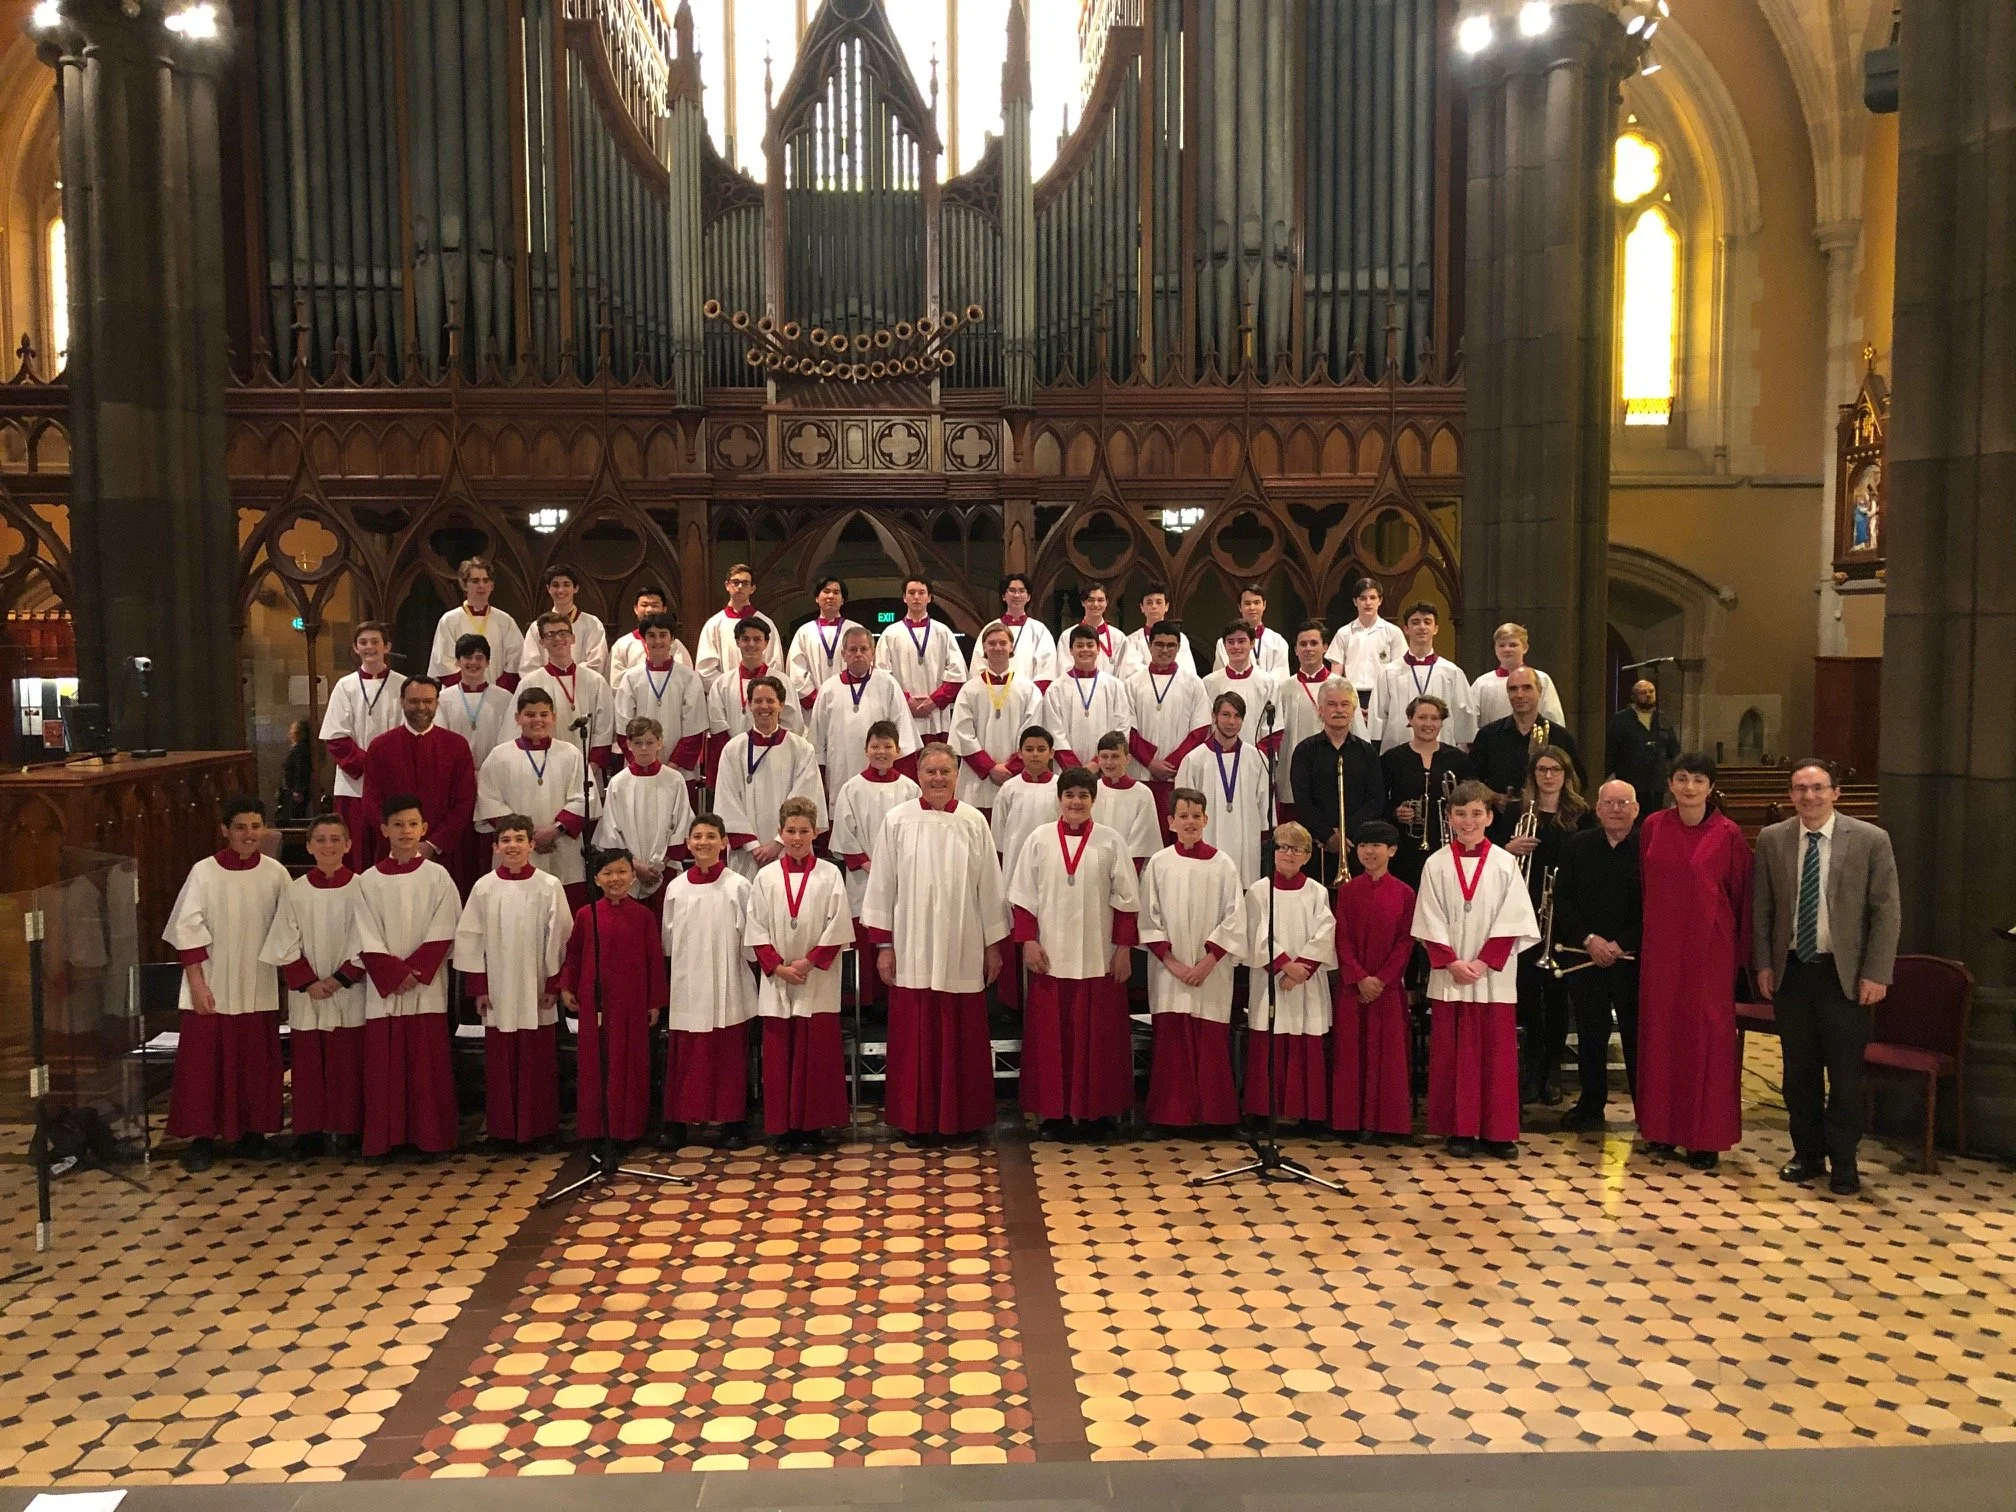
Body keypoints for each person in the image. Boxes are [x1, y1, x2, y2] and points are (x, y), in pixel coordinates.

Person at [1752, 758, 1900, 1196]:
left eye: (1817, 788)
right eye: (1800, 788)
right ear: (1791, 794)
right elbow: (1763, 909)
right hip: (1793, 972)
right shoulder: (1773, 839)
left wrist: (1876, 972)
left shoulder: (1871, 840)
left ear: (1836, 793)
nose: (1808, 796)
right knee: (1798, 1073)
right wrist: (1763, 964)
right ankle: (1807, 1154)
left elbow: (1886, 912)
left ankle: (1845, 1160)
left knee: (1846, 1074)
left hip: (1846, 975)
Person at [860, 744, 1011, 1147]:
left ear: (957, 775)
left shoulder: (974, 820)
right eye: (930, 772)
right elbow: (882, 887)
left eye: (946, 771)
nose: (938, 779)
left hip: (962, 943)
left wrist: (992, 945)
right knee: (916, 1034)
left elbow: (989, 887)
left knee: (962, 1031)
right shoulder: (897, 820)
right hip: (912, 944)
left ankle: (965, 1118)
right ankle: (917, 1119)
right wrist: (884, 946)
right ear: (919, 776)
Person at [1635, 753, 1754, 1171]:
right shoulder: (1652, 826)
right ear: (1670, 783)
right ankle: (1663, 1130)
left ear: (1710, 786)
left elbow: (1741, 896)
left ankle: (1705, 1137)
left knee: (1706, 1037)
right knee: (1662, 1033)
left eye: (1698, 780)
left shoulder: (1728, 834)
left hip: (1709, 954)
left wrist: (1739, 961)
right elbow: (1645, 886)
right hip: (1662, 951)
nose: (1689, 787)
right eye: (1682, 779)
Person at [1008, 767, 1141, 1140]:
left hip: (1099, 956)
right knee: (1052, 1039)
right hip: (1051, 955)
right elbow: (1022, 897)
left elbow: (1128, 902)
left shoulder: (1111, 841)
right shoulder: (1038, 839)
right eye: (1070, 795)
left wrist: (1123, 950)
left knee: (1099, 1038)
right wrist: (1029, 941)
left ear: (1093, 800)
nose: (1076, 802)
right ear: (1059, 799)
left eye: (1083, 795)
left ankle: (1099, 1113)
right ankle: (1055, 1113)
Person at [164, 796, 292, 1172]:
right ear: (224, 830)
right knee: (206, 1065)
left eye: (256, 827)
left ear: (265, 829)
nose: (249, 835)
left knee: (255, 1061)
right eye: (240, 827)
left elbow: (288, 926)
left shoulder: (276, 874)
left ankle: (254, 1136)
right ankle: (203, 1138)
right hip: (212, 982)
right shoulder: (203, 872)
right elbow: (186, 929)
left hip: (257, 980)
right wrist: (197, 984)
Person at [1413, 780, 1539, 1159]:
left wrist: (1483, 962)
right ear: (1449, 817)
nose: (1468, 822)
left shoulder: (1504, 863)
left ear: (1489, 816)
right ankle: (1460, 1130)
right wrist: (1452, 961)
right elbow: (1427, 918)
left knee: (1496, 1055)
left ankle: (1498, 1132)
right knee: (1454, 1055)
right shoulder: (1435, 864)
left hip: (1492, 978)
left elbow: (1514, 918)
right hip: (1451, 974)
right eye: (1460, 814)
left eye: (1476, 814)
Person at [352, 794, 464, 1158]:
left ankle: (432, 1138)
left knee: (426, 1062)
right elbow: (362, 931)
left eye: (412, 824)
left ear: (424, 829)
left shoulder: (438, 876)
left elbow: (447, 925)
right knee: (386, 1062)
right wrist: (392, 972)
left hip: (424, 987)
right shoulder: (367, 881)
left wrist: (414, 971)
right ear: (383, 829)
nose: (405, 831)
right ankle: (387, 1138)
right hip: (385, 989)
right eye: (397, 824)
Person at [455, 814, 573, 1149]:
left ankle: (542, 1129)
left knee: (539, 1059)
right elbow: (470, 938)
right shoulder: (484, 888)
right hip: (499, 988)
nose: (513, 846)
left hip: (536, 985)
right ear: (495, 847)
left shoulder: (549, 886)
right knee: (501, 1058)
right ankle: (504, 1131)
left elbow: (561, 936)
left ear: (532, 844)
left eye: (519, 839)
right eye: (505, 841)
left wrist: (553, 984)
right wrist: (478, 987)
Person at [746, 798, 854, 1152]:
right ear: (779, 832)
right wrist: (777, 966)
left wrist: (808, 963)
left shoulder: (829, 874)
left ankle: (812, 1127)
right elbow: (756, 925)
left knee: (815, 1054)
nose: (796, 838)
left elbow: (838, 925)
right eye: (790, 831)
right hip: (778, 979)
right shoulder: (765, 877)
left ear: (816, 833)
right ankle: (784, 1127)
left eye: (803, 831)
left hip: (815, 978)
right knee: (780, 1057)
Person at [259, 812, 368, 1156]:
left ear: (348, 845)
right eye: (320, 840)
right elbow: (284, 938)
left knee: (346, 1062)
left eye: (336, 839)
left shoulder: (363, 887)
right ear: (308, 847)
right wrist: (308, 982)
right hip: (309, 993)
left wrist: (338, 979)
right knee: (308, 1063)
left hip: (347, 989)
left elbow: (367, 939)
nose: (328, 846)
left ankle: (349, 1129)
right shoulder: (296, 890)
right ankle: (308, 1132)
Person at [1138, 788, 1246, 1130]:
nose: (1190, 822)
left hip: (1211, 970)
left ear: (1206, 819)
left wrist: (1208, 961)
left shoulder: (1223, 863)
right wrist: (1172, 962)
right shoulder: (1159, 863)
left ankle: (1214, 1116)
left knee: (1210, 1042)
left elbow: (1235, 917)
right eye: (1183, 816)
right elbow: (1148, 917)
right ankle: (1170, 1115)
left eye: (1196, 816)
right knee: (1171, 1042)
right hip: (1170, 970)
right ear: (1170, 822)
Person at [658, 814, 757, 1150]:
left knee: (728, 1054)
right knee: (686, 1055)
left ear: (724, 842)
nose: (703, 843)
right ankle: (679, 1123)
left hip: (728, 978)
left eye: (711, 836)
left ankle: (733, 1122)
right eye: (697, 837)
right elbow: (669, 942)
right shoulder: (675, 887)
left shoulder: (738, 886)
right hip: (688, 981)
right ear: (687, 843)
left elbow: (751, 939)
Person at [557, 848, 666, 1147]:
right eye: (607, 873)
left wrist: (654, 1001)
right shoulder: (585, 915)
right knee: (596, 1063)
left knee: (631, 1064)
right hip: (596, 1003)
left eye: (621, 871)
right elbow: (575, 955)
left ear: (633, 877)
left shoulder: (644, 916)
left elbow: (653, 960)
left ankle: (629, 1129)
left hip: (632, 1002)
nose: (615, 878)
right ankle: (596, 1129)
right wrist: (568, 986)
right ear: (596, 879)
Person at [1551, 780, 1643, 1132]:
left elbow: (1655, 906)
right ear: (1598, 808)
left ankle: (1644, 1109)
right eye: (1609, 803)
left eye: (1624, 803)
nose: (1617, 809)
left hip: (1631, 959)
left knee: (1636, 1037)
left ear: (1635, 809)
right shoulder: (1578, 845)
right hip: (1585, 956)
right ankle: (1591, 1105)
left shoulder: (1648, 847)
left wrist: (1623, 944)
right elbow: (1565, 899)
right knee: (1591, 1035)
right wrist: (1590, 940)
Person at [1505, 746, 1594, 1105]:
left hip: (1564, 914)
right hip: (1524, 911)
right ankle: (1530, 1068)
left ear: (1566, 774)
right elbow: (1495, 857)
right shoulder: (1517, 812)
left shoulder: (1582, 815)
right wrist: (1510, 846)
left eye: (1555, 769)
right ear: (1533, 774)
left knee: (1557, 997)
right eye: (1541, 769)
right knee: (1526, 994)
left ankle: (1553, 1070)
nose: (1548, 776)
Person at [1240, 822, 1336, 1126]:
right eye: (1281, 847)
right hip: (1272, 979)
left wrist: (1301, 970)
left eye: (1296, 849)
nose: (1288, 854)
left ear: (1307, 855)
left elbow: (1326, 933)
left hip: (1306, 981)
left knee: (1304, 1040)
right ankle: (1264, 1112)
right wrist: (1283, 964)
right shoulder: (1259, 890)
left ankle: (1307, 1113)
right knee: (1270, 1040)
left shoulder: (1317, 892)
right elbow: (1254, 932)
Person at [1331, 821, 1416, 1142]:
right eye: (1364, 845)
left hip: (1387, 989)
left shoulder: (1405, 893)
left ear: (1392, 851)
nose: (1368, 851)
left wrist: (1381, 980)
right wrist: (1359, 977)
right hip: (1354, 989)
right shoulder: (1348, 892)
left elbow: (1405, 942)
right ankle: (1351, 1121)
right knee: (1351, 1054)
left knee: (1388, 1055)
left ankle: (1387, 1123)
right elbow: (1342, 939)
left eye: (1376, 845)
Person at [829, 722, 922, 1008]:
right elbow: (845, 834)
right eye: (875, 746)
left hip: (902, 877)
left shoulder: (910, 789)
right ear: (866, 750)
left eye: (887, 746)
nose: (881, 752)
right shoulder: (851, 788)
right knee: (867, 935)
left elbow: (920, 831)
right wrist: (870, 865)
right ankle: (867, 1002)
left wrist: (897, 868)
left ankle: (899, 997)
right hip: (864, 878)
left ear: (898, 750)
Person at [473, 688, 592, 910]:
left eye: (544, 714)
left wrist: (555, 830)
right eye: (530, 714)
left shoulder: (571, 754)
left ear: (553, 717)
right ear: (517, 718)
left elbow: (584, 798)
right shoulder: (499, 756)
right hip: (516, 850)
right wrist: (529, 839)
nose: (537, 720)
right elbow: (489, 801)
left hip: (562, 848)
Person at [361, 676, 479, 893]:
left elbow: (465, 801)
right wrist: (399, 840)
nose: (421, 707)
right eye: (414, 701)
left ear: (437, 703)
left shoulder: (456, 746)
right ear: (402, 702)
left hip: (443, 853)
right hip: (394, 852)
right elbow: (371, 801)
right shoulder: (380, 747)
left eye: (427, 701)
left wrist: (433, 844)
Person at [713, 675, 826, 879]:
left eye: (770, 700)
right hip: (748, 854)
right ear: (748, 705)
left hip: (790, 848)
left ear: (781, 704)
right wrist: (752, 845)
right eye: (758, 701)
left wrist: (778, 843)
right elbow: (726, 799)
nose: (764, 706)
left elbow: (806, 799)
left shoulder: (800, 748)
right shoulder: (733, 750)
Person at [320, 621, 407, 870]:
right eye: (363, 643)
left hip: (391, 782)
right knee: (354, 850)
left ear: (387, 646)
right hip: (353, 785)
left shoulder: (403, 685)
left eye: (375, 642)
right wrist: (370, 766)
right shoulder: (344, 686)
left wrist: (384, 767)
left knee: (388, 846)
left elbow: (407, 733)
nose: (369, 647)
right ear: (356, 648)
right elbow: (336, 738)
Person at [1289, 681, 1385, 888]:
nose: (1339, 710)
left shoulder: (1367, 752)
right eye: (1332, 704)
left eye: (1345, 704)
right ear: (1320, 710)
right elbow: (1302, 800)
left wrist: (1343, 835)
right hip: (1317, 845)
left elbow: (1376, 800)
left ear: (1353, 710)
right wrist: (1327, 835)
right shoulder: (1304, 751)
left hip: (1356, 844)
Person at [1472, 668, 1587, 839]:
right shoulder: (1488, 736)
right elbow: (1471, 780)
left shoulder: (1560, 737)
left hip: (1549, 826)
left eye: (1527, 688)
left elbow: (1579, 782)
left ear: (1540, 691)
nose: (1519, 695)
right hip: (1497, 825)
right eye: (1513, 689)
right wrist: (1494, 797)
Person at [595, 717, 695, 911]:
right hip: (628, 872)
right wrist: (634, 866)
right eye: (638, 743)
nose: (644, 749)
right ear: (628, 745)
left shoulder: (674, 780)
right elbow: (611, 829)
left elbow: (681, 823)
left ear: (660, 742)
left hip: (665, 870)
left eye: (649, 742)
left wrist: (660, 866)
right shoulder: (618, 783)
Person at [811, 625, 919, 805]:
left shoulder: (887, 684)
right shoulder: (828, 689)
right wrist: (820, 780)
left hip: (883, 777)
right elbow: (817, 740)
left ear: (873, 653)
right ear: (843, 654)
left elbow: (903, 737)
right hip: (840, 773)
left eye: (863, 649)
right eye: (852, 649)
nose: (858, 654)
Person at [1174, 692, 1273, 885]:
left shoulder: (1256, 758)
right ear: (1214, 716)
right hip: (1207, 839)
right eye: (1226, 715)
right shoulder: (1194, 760)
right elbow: (1182, 809)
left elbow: (1264, 807)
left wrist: (1263, 834)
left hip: (1246, 841)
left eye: (1237, 716)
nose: (1231, 721)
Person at [1123, 621, 1211, 827]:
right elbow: (1128, 729)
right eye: (1159, 644)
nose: (1165, 650)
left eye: (1171, 645)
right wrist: (1150, 762)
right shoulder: (1133, 683)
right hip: (1142, 773)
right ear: (1149, 646)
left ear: (1179, 648)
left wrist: (1172, 764)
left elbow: (1200, 730)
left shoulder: (1193, 683)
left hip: (1177, 774)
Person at [1380, 695, 1471, 890]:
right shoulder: (1392, 758)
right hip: (1404, 848)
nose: (1428, 724)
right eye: (1422, 717)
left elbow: (1469, 800)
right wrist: (1395, 812)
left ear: (1441, 722)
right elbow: (1378, 800)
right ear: (1410, 719)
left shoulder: (1458, 759)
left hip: (1446, 844)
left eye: (1435, 718)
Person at [521, 611, 616, 795]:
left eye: (563, 633)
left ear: (573, 638)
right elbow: (522, 729)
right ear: (542, 642)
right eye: (550, 635)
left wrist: (590, 767)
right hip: (544, 770)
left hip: (588, 770)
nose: (558, 639)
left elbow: (604, 729)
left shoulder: (594, 681)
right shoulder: (530, 682)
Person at [949, 622, 1041, 812]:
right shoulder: (970, 689)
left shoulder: (1028, 689)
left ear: (1011, 647)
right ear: (984, 647)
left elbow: (1034, 730)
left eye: (1002, 642)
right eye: (991, 643)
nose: (997, 647)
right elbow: (962, 732)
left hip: (1017, 775)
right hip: (978, 780)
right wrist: (989, 767)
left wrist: (1013, 767)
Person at [707, 616, 807, 784]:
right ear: (737, 642)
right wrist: (737, 755)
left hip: (776, 760)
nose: (751, 644)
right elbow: (718, 730)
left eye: (757, 639)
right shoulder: (722, 684)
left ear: (766, 643)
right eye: (745, 639)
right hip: (736, 761)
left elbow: (793, 725)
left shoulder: (782, 681)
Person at [1278, 621, 1360, 819]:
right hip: (1296, 768)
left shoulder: (1342, 685)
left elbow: (1357, 731)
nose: (1308, 649)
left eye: (1314, 643)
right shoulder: (1284, 687)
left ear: (1325, 647)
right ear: (1295, 650)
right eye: (1303, 644)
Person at [612, 614, 709, 777]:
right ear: (643, 639)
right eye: (651, 635)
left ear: (672, 639)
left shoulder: (689, 677)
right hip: (640, 768)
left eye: (663, 635)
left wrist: (670, 768)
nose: (657, 641)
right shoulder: (631, 678)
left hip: (679, 772)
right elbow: (623, 728)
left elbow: (694, 729)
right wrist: (644, 764)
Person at [1369, 602, 1473, 752]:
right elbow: (1378, 716)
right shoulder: (1388, 672)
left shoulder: (1451, 672)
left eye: (1427, 622)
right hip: (1398, 750)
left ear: (1436, 628)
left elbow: (1464, 715)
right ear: (1406, 629)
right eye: (1415, 622)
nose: (1422, 627)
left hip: (1441, 750)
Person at [878, 577, 968, 744]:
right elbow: (882, 676)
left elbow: (958, 674)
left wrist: (934, 701)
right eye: (911, 593)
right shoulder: (890, 633)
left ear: (929, 597)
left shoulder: (942, 631)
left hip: (936, 715)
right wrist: (906, 701)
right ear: (904, 598)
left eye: (921, 593)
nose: (916, 597)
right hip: (903, 712)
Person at [1041, 624, 1135, 767]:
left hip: (1107, 767)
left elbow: (1122, 727)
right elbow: (1054, 731)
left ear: (1098, 649)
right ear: (1071, 650)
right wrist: (1074, 767)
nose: (1085, 649)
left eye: (1090, 645)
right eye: (1079, 645)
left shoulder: (1114, 686)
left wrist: (1098, 763)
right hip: (1068, 769)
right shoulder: (1056, 689)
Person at [430, 556, 525, 688]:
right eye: (475, 581)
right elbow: (443, 661)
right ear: (463, 584)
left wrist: (497, 689)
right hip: (459, 694)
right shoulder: (449, 620)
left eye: (486, 581)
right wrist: (470, 686)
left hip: (496, 695)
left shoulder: (505, 621)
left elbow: (516, 658)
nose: (481, 586)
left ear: (492, 586)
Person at [694, 562, 782, 689]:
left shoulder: (766, 623)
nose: (739, 587)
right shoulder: (714, 624)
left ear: (752, 588)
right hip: (726, 693)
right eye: (735, 582)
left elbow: (774, 663)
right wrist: (729, 688)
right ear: (727, 585)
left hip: (761, 695)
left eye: (745, 583)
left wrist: (758, 689)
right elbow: (705, 669)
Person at [438, 634, 516, 776]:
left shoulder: (504, 698)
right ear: (458, 662)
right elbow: (442, 740)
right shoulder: (443, 699)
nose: (473, 662)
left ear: (487, 662)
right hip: (456, 773)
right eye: (467, 657)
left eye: (479, 658)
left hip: (494, 772)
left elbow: (509, 738)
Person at [1325, 577, 1407, 708]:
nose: (1368, 602)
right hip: (1351, 695)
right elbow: (1336, 672)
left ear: (1380, 601)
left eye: (1372, 598)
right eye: (1363, 598)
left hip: (1383, 694)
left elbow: (1399, 670)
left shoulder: (1393, 632)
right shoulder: (1344, 633)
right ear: (1355, 601)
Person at [517, 563, 609, 678]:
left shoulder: (592, 624)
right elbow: (529, 668)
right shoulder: (537, 627)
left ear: (576, 588)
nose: (560, 590)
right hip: (546, 691)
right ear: (548, 589)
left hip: (582, 687)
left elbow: (597, 662)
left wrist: (567, 677)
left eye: (566, 585)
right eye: (555, 585)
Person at [786, 576, 862, 712]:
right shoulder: (804, 632)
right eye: (826, 591)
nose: (831, 596)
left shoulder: (856, 631)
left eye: (836, 592)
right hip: (814, 706)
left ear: (843, 600)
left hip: (849, 702)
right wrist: (814, 698)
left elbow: (864, 664)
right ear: (817, 598)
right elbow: (795, 668)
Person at [1202, 622, 1282, 752]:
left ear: (1252, 643)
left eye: (1241, 641)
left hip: (1256, 759)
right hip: (1217, 756)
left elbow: (1275, 727)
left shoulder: (1268, 683)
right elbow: (1205, 725)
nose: (1236, 646)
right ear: (1224, 645)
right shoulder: (1209, 682)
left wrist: (1257, 756)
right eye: (1231, 642)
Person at [1470, 623, 1566, 729]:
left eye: (1513, 645)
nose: (1507, 649)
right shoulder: (1482, 683)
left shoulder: (1542, 679)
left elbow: (1553, 717)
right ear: (1495, 650)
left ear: (1525, 648)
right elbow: (1471, 722)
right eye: (1501, 645)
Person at [1606, 678, 1681, 814]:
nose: (1648, 695)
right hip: (1631, 782)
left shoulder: (1662, 718)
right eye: (1643, 692)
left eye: (1651, 691)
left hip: (1658, 784)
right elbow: (1611, 751)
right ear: (1634, 696)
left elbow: (1674, 751)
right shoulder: (1621, 719)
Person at [1093, 731, 1161, 870]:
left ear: (1127, 758)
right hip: (1093, 866)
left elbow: (1142, 842)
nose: (1109, 762)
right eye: (1104, 757)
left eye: (1115, 756)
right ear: (1098, 759)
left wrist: (1122, 872)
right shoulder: (1092, 791)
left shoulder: (1142, 794)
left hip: (1127, 869)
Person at [609, 585, 694, 683]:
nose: (649, 610)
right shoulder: (622, 644)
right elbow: (616, 684)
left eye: (655, 605)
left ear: (664, 609)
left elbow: (686, 678)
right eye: (644, 605)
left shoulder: (675, 644)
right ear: (636, 609)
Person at [1211, 583, 1290, 679]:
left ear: (1264, 605)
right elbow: (1220, 677)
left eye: (1256, 602)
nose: (1252, 608)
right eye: (1247, 603)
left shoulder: (1278, 642)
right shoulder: (1225, 642)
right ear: (1240, 607)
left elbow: (1281, 678)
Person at [997, 572, 1058, 689]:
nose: (1017, 595)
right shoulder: (991, 629)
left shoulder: (1039, 630)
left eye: (1021, 591)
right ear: (1003, 596)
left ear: (1028, 597)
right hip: (995, 695)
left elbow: (1047, 667)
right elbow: (979, 666)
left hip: (1028, 696)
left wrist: (1031, 695)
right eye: (1012, 590)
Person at [1065, 582, 1134, 679]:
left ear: (1106, 603)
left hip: (1109, 691)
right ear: (1083, 602)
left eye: (1100, 600)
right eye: (1091, 600)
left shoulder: (1118, 637)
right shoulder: (1067, 635)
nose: (1095, 604)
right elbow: (1064, 670)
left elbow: (1124, 672)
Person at [1123, 584, 1195, 674]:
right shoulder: (1132, 640)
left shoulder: (1181, 638)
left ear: (1167, 606)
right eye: (1149, 603)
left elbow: (1187, 670)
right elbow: (1130, 671)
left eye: (1158, 602)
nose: (1154, 606)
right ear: (1142, 607)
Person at [276, 719, 315, 824]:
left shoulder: (300, 749)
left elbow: (300, 769)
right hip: (294, 788)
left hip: (296, 790)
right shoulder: (301, 748)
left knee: (295, 818)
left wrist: (298, 790)